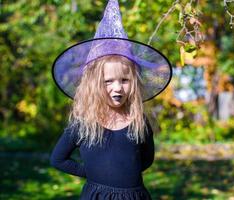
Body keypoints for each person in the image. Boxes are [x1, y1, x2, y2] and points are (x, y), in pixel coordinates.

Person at [50, 0, 172, 199]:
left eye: (124, 80)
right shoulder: (83, 124)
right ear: (94, 84)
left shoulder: (138, 121)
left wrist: (126, 175)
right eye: (108, 81)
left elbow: (147, 158)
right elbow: (58, 159)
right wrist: (93, 174)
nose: (117, 88)